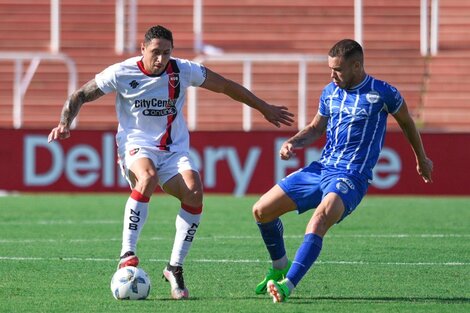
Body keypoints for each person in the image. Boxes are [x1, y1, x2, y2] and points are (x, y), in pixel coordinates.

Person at [47, 25, 294, 300]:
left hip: (173, 150)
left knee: (195, 190)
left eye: (166, 53)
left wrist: (264, 108)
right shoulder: (122, 72)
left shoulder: (183, 70)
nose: (161, 59)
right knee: (148, 177)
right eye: (155, 52)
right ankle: (127, 253)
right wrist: (63, 123)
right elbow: (80, 95)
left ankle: (174, 267)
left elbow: (226, 86)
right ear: (142, 49)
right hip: (136, 145)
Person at [252, 39, 433, 303]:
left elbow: (406, 122)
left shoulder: (383, 93)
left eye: (337, 69)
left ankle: (288, 284)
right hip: (321, 168)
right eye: (330, 69)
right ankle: (279, 267)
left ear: (356, 66)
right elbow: (316, 128)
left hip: (351, 176)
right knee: (261, 210)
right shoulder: (329, 92)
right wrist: (293, 142)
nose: (332, 75)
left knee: (319, 220)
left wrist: (422, 158)